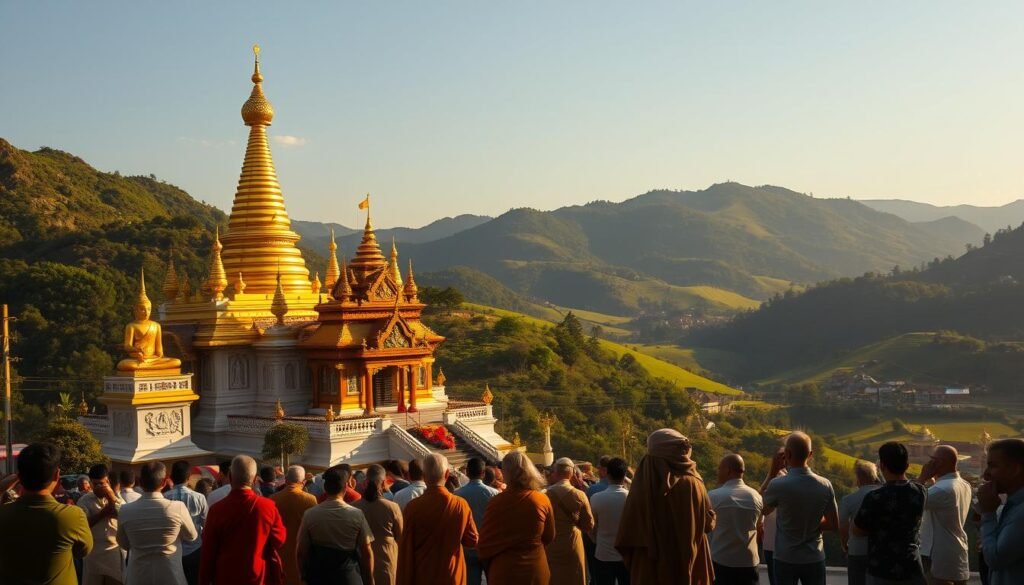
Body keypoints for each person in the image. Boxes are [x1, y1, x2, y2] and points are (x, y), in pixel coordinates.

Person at [615, 428, 715, 585]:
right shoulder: (694, 483)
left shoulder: (644, 482)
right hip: (689, 565)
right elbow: (708, 524)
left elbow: (628, 533)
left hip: (650, 569)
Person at [0, 442, 93, 585]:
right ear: (57, 475)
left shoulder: (4, 514)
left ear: (19, 476)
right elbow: (82, 551)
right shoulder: (72, 516)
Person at [761, 432, 839, 585]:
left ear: (787, 454)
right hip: (814, 556)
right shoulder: (825, 484)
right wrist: (811, 522)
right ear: (810, 454)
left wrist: (771, 473)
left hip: (785, 556)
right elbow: (833, 524)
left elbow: (763, 510)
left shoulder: (778, 484)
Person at [199, 455, 287, 585]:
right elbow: (280, 540)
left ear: (230, 477)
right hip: (258, 576)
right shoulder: (267, 506)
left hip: (226, 577)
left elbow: (208, 553)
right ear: (255, 479)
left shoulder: (217, 510)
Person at [853, 442, 927, 585]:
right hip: (912, 566)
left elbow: (858, 530)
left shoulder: (875, 497)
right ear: (907, 465)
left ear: (882, 466)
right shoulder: (920, 492)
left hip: (881, 567)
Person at [399, 453, 479, 585]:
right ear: (447, 474)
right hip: (452, 574)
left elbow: (407, 548)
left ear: (424, 477)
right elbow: (472, 540)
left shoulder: (412, 507)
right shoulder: (460, 504)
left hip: (423, 574)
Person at [478, 451, 554, 585]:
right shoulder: (541, 499)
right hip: (535, 569)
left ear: (506, 473)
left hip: (505, 572)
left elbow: (485, 544)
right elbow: (549, 536)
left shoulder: (496, 502)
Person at [117, 461, 198, 585]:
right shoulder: (177, 508)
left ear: (141, 482)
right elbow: (192, 536)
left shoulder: (125, 510)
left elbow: (124, 544)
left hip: (138, 576)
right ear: (164, 482)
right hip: (171, 575)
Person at [296, 465, 374, 585]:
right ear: (345, 488)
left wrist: (303, 575)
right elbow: (367, 552)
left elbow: (301, 551)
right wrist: (369, 579)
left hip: (319, 577)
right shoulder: (356, 514)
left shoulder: (310, 514)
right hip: (348, 576)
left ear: (325, 488)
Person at [917, 445, 972, 585]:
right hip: (956, 554)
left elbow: (909, 500)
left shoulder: (942, 490)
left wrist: (922, 477)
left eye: (932, 460)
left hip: (939, 558)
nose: (928, 463)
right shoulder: (964, 484)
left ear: (939, 463)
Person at [708, 453, 763, 585]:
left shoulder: (713, 496)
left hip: (721, 561)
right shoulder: (756, 496)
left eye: (719, 469)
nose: (718, 472)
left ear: (727, 470)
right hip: (749, 562)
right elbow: (759, 528)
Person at [977, 438, 1024, 585]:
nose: (985, 475)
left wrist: (988, 514)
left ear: (1015, 469)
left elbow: (996, 559)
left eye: (992, 466)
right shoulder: (1012, 505)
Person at [546, 457, 595, 585]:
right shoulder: (579, 495)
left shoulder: (545, 495)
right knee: (574, 577)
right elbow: (589, 525)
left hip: (551, 545)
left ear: (555, 473)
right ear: (572, 473)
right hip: (573, 544)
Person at [354, 464, 404, 585]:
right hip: (387, 559)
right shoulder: (392, 507)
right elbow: (400, 536)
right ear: (383, 482)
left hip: (362, 560)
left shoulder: (354, 507)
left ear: (366, 482)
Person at [78, 464, 126, 585]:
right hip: (93, 553)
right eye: (95, 484)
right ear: (90, 483)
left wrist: (111, 499)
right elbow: (82, 526)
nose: (98, 487)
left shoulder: (117, 499)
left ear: (108, 481)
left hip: (113, 552)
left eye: (102, 483)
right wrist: (102, 514)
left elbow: (125, 518)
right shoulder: (84, 501)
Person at [271, 465, 318, 585]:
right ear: (303, 482)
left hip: (279, 558)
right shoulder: (310, 500)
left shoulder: (273, 500)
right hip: (302, 559)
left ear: (286, 480)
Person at [454, 457, 498, 585]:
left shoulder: (457, 494)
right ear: (483, 474)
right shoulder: (494, 494)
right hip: (489, 545)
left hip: (467, 546)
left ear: (467, 472)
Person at [590, 457, 631, 585]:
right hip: (627, 555)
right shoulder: (631, 498)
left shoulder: (596, 498)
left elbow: (592, 526)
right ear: (625, 475)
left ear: (607, 473)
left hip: (603, 553)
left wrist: (596, 540)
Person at [166, 460, 208, 585]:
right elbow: (206, 525)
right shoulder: (199, 497)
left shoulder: (165, 497)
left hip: (172, 550)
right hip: (195, 549)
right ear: (189, 477)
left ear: (172, 477)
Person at [839, 461, 880, 585]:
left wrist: (845, 546)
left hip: (857, 550)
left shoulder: (848, 500)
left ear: (858, 478)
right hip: (881, 550)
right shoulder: (885, 495)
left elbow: (843, 527)